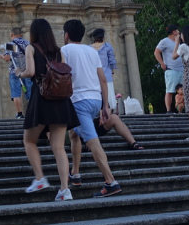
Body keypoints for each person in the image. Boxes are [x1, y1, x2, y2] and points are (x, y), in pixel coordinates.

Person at [17, 18, 78, 201]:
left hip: (42, 98)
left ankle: (39, 178)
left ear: (34, 32)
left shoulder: (31, 48)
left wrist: (19, 73)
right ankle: (65, 189)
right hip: (60, 100)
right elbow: (65, 71)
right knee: (59, 147)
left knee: (29, 141)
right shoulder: (59, 51)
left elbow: (30, 72)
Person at [62, 19, 123, 197]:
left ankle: (111, 181)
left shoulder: (64, 50)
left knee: (92, 141)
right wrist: (105, 105)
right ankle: (76, 173)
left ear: (66, 35)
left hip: (78, 101)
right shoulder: (92, 51)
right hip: (95, 99)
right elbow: (103, 79)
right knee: (74, 133)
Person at [0, 27, 30, 118]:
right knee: (30, 92)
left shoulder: (11, 44)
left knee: (16, 93)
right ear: (21, 34)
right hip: (28, 70)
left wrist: (1, 56)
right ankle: (34, 112)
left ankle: (20, 114)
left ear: (11, 35)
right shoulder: (27, 43)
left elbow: (7, 58)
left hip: (15, 71)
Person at [153, 25, 184, 112]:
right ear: (174, 32)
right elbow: (156, 52)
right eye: (177, 30)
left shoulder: (180, 41)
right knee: (170, 90)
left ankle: (182, 109)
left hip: (181, 69)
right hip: (171, 69)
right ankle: (168, 109)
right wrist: (162, 63)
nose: (179, 31)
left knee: (184, 90)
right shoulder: (164, 41)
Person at [90, 28, 118, 110]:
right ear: (103, 37)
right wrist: (112, 71)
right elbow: (112, 61)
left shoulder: (89, 48)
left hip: (93, 77)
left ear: (93, 38)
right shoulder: (107, 46)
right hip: (106, 76)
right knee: (108, 99)